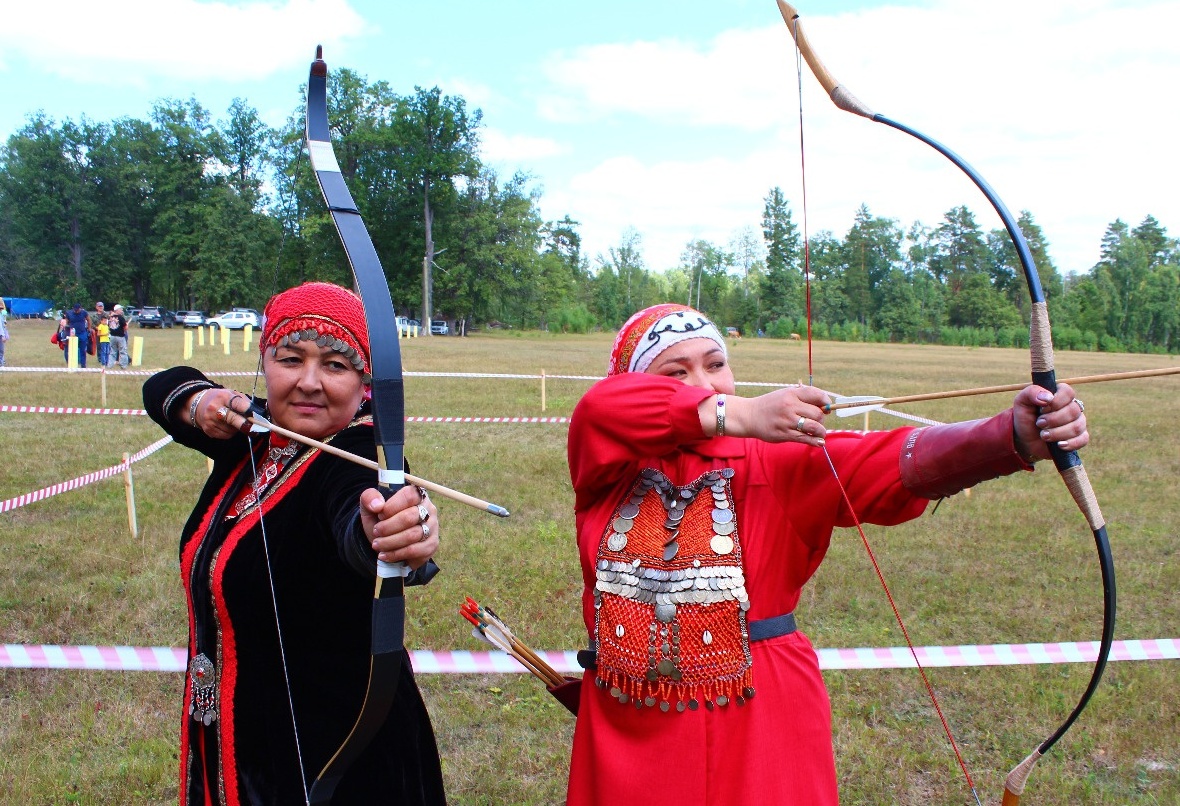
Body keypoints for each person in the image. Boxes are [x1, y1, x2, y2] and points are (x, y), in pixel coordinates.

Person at [564, 303, 1090, 806]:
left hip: (762, 712)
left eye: (716, 365)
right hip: (634, 720)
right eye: (674, 372)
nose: (704, 384)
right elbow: (600, 409)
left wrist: (1011, 436)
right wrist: (738, 413)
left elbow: (890, 463)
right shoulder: (608, 468)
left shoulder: (777, 459)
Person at [143, 281, 446, 804]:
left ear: (365, 383)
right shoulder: (251, 430)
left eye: (335, 365)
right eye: (290, 359)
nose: (309, 382)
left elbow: (363, 509)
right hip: (243, 733)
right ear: (265, 362)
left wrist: (391, 529)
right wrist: (201, 402)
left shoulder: (357, 454)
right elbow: (163, 388)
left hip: (332, 753)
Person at [65, 303, 91, 367]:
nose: (76, 311)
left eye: (78, 310)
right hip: (73, 334)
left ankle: (83, 365)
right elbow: (67, 322)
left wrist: (89, 328)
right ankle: (73, 364)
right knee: (73, 349)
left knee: (83, 350)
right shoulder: (69, 313)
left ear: (80, 308)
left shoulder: (84, 313)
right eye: (75, 310)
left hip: (82, 333)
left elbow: (89, 320)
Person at [107, 304, 130, 368]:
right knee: (122, 351)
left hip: (112, 336)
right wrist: (126, 326)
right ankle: (123, 365)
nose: (122, 310)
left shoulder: (110, 317)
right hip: (120, 337)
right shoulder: (121, 317)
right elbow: (125, 328)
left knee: (112, 352)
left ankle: (110, 365)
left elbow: (109, 326)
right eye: (120, 309)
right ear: (117, 310)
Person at [0, 297, 8, 367]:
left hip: (1, 333)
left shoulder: (3, 313)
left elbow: (4, 325)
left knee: (2, 350)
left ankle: (1, 362)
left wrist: (4, 335)